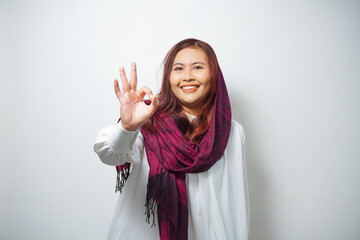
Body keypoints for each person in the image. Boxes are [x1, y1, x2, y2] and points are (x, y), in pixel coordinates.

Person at [94, 38, 250, 240]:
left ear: (214, 75)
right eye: (178, 69)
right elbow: (110, 154)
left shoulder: (232, 131)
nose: (187, 77)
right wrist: (127, 127)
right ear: (168, 77)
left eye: (197, 67)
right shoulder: (149, 122)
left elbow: (237, 201)